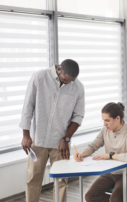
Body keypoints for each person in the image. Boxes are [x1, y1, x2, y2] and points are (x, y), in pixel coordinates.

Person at [20, 59, 85, 202]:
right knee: (33, 179)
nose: (67, 83)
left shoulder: (78, 87)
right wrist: (26, 135)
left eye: (71, 81)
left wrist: (66, 139)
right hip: (38, 140)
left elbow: (78, 116)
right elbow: (28, 107)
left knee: (62, 181)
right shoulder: (39, 77)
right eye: (65, 80)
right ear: (59, 69)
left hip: (60, 142)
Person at [74, 102, 127, 202]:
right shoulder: (105, 130)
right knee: (90, 196)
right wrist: (82, 153)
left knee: (115, 199)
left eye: (107, 121)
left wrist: (110, 156)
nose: (104, 124)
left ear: (118, 118)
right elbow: (93, 145)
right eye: (103, 120)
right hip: (111, 173)